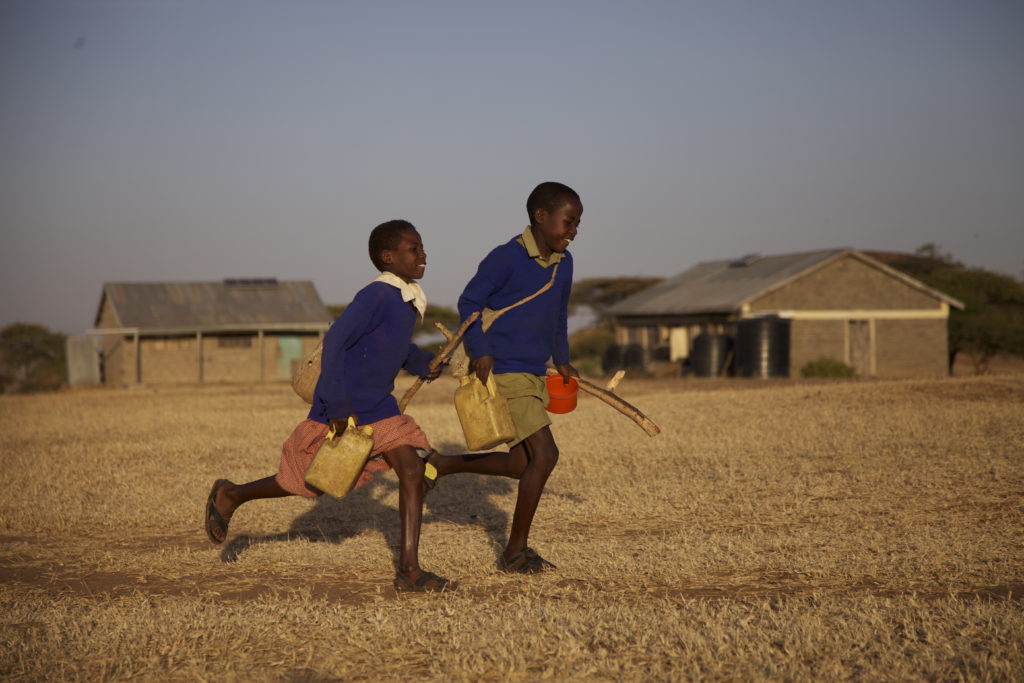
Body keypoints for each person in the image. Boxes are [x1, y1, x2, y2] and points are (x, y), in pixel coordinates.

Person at [204, 219, 453, 592]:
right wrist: (337, 403)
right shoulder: (377, 295)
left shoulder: (406, 299)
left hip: (381, 408)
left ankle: (409, 570)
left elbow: (395, 348)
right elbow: (336, 341)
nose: (423, 255)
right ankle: (232, 494)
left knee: (412, 471)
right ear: (389, 257)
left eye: (422, 248)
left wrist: (424, 364)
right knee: (308, 482)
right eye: (414, 249)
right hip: (345, 406)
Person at [428, 181, 581, 574]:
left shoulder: (565, 264)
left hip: (533, 372)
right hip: (504, 371)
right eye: (568, 222)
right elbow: (469, 302)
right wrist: (480, 350)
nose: (573, 231)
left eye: (578, 224)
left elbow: (558, 316)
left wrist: (562, 359)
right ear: (541, 217)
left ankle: (443, 464)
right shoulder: (506, 257)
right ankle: (515, 552)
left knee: (519, 464)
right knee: (546, 456)